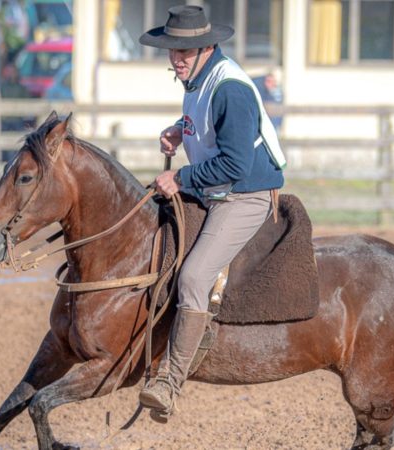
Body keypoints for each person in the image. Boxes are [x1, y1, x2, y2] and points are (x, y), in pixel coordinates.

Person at [137, 5, 285, 421]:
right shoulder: (198, 79)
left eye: (186, 50)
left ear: (209, 47)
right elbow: (206, 127)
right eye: (173, 50)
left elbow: (235, 164)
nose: (177, 58)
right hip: (218, 189)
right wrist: (178, 130)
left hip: (245, 195)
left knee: (194, 275)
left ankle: (170, 381)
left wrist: (181, 178)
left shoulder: (230, 89)